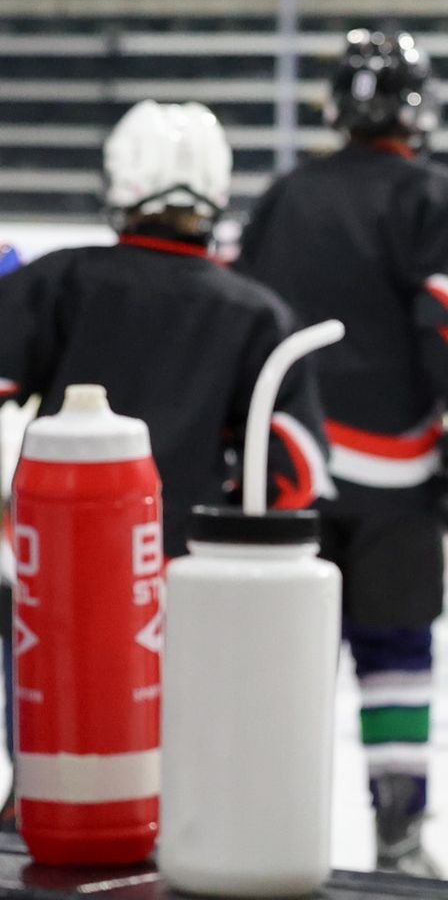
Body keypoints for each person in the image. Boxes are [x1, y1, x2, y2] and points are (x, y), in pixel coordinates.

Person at [0, 101, 331, 829]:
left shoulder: (60, 280)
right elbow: (294, 472)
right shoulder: (257, 313)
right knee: (178, 782)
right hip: (185, 588)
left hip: (50, 574)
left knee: (51, 767)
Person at [236, 30, 448, 876]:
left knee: (286, 660)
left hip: (288, 474)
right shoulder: (440, 197)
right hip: (397, 474)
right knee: (393, 650)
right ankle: (399, 839)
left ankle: (266, 826)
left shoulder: (283, 196)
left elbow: (248, 321)